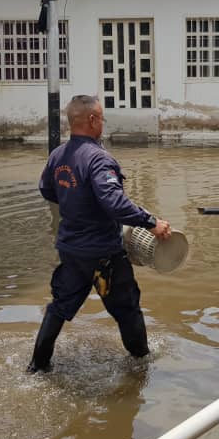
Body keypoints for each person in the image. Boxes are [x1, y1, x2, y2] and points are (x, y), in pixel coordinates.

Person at [28, 95, 172, 373]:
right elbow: (114, 203)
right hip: (102, 254)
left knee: (59, 306)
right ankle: (142, 364)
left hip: (70, 250)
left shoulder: (58, 155)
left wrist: (76, 202)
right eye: (102, 118)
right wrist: (151, 221)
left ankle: (38, 365)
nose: (102, 124)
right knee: (127, 308)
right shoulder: (98, 159)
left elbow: (47, 190)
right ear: (93, 120)